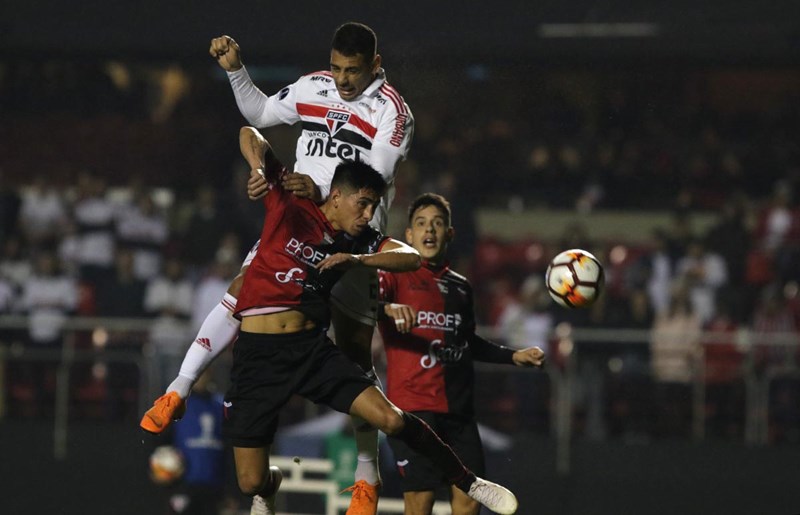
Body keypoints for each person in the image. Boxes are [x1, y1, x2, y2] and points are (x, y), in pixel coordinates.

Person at [142, 21, 413, 513]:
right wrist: (236, 72)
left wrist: (324, 194)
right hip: (296, 227)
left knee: (355, 358)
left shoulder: (392, 113)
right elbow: (261, 113)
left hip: (351, 239)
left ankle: (366, 475)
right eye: (336, 67)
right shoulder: (315, 86)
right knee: (243, 287)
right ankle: (178, 388)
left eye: (353, 70)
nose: (343, 79)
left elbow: (374, 179)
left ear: (375, 65)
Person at [225, 128, 517, 515]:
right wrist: (257, 168)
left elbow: (410, 256)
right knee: (249, 482)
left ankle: (470, 481)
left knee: (392, 421)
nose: (367, 215)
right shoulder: (291, 201)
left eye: (373, 206)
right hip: (257, 357)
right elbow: (251, 133)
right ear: (337, 196)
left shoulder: (356, 240)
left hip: (310, 350)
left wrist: (358, 260)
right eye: (362, 204)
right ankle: (270, 485)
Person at [377, 193, 544, 514]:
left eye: (438, 224)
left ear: (449, 234)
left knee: (469, 501)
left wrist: (513, 356)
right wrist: (388, 308)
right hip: (415, 412)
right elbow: (362, 308)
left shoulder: (461, 288)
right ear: (409, 235)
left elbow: (468, 341)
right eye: (422, 223)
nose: (430, 230)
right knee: (420, 501)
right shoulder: (394, 276)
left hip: (459, 413)